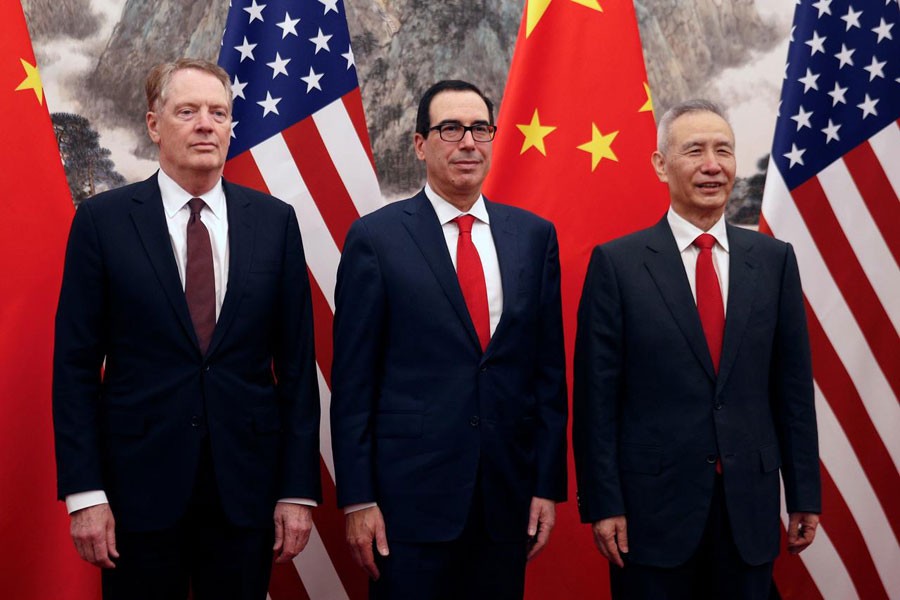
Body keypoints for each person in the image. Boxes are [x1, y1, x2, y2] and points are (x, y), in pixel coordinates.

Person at [52, 58, 322, 600]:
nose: (206, 124)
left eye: (218, 113)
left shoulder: (274, 222)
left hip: (243, 492)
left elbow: (295, 368)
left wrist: (297, 491)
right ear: (155, 125)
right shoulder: (102, 222)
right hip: (136, 494)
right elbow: (75, 367)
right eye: (188, 111)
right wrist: (85, 494)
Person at [572, 99, 821, 599]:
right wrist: (604, 503)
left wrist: (804, 493)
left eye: (724, 151)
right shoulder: (617, 265)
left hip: (747, 512)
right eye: (695, 151)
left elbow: (792, 391)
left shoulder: (773, 261)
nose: (713, 165)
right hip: (650, 517)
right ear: (661, 164)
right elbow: (596, 402)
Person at [330, 80, 568, 600]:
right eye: (450, 129)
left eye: (480, 128)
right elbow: (352, 385)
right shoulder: (376, 239)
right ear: (420, 144)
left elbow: (547, 374)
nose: (468, 142)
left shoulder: (532, 236)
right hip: (406, 508)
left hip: (505, 502)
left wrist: (546, 485)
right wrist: (358, 501)